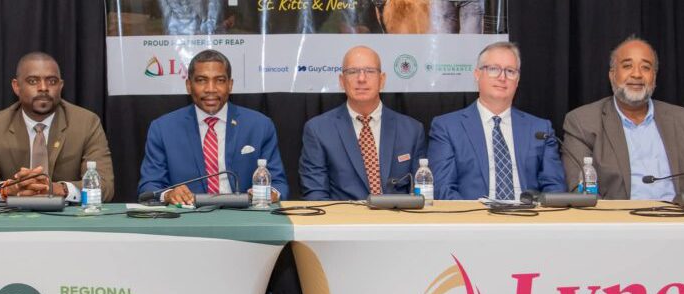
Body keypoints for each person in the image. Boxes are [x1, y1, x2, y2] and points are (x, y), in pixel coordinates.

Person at [562, 36, 684, 200]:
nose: (637, 74)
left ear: (654, 77)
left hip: (681, 214)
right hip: (618, 216)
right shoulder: (582, 122)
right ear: (612, 75)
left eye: (645, 67)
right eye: (627, 66)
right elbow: (580, 191)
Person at [138, 49, 288, 205]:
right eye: (201, 80)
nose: (211, 89)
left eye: (220, 80)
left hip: (245, 213)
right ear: (189, 86)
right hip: (187, 215)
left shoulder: (259, 125)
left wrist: (271, 194)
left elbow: (279, 184)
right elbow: (149, 186)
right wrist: (169, 195)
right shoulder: (163, 128)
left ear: (230, 85)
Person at [0, 52, 114, 203]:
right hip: (14, 215)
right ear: (16, 86)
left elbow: (105, 187)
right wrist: (10, 189)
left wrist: (59, 189)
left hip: (66, 215)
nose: (43, 88)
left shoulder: (86, 123)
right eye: (33, 81)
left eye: (52, 81)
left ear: (60, 86)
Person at [429, 41, 565, 200]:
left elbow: (555, 188)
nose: (502, 77)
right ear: (477, 74)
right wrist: (477, 215)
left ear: (517, 80)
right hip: (474, 214)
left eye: (510, 71)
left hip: (529, 213)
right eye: (494, 69)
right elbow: (443, 189)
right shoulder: (447, 127)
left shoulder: (540, 129)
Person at [300, 46, 426, 201]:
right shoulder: (318, 130)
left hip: (398, 215)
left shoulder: (412, 130)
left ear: (382, 80)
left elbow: (422, 193)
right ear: (342, 81)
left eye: (370, 71)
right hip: (343, 216)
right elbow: (315, 195)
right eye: (352, 72)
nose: (361, 78)